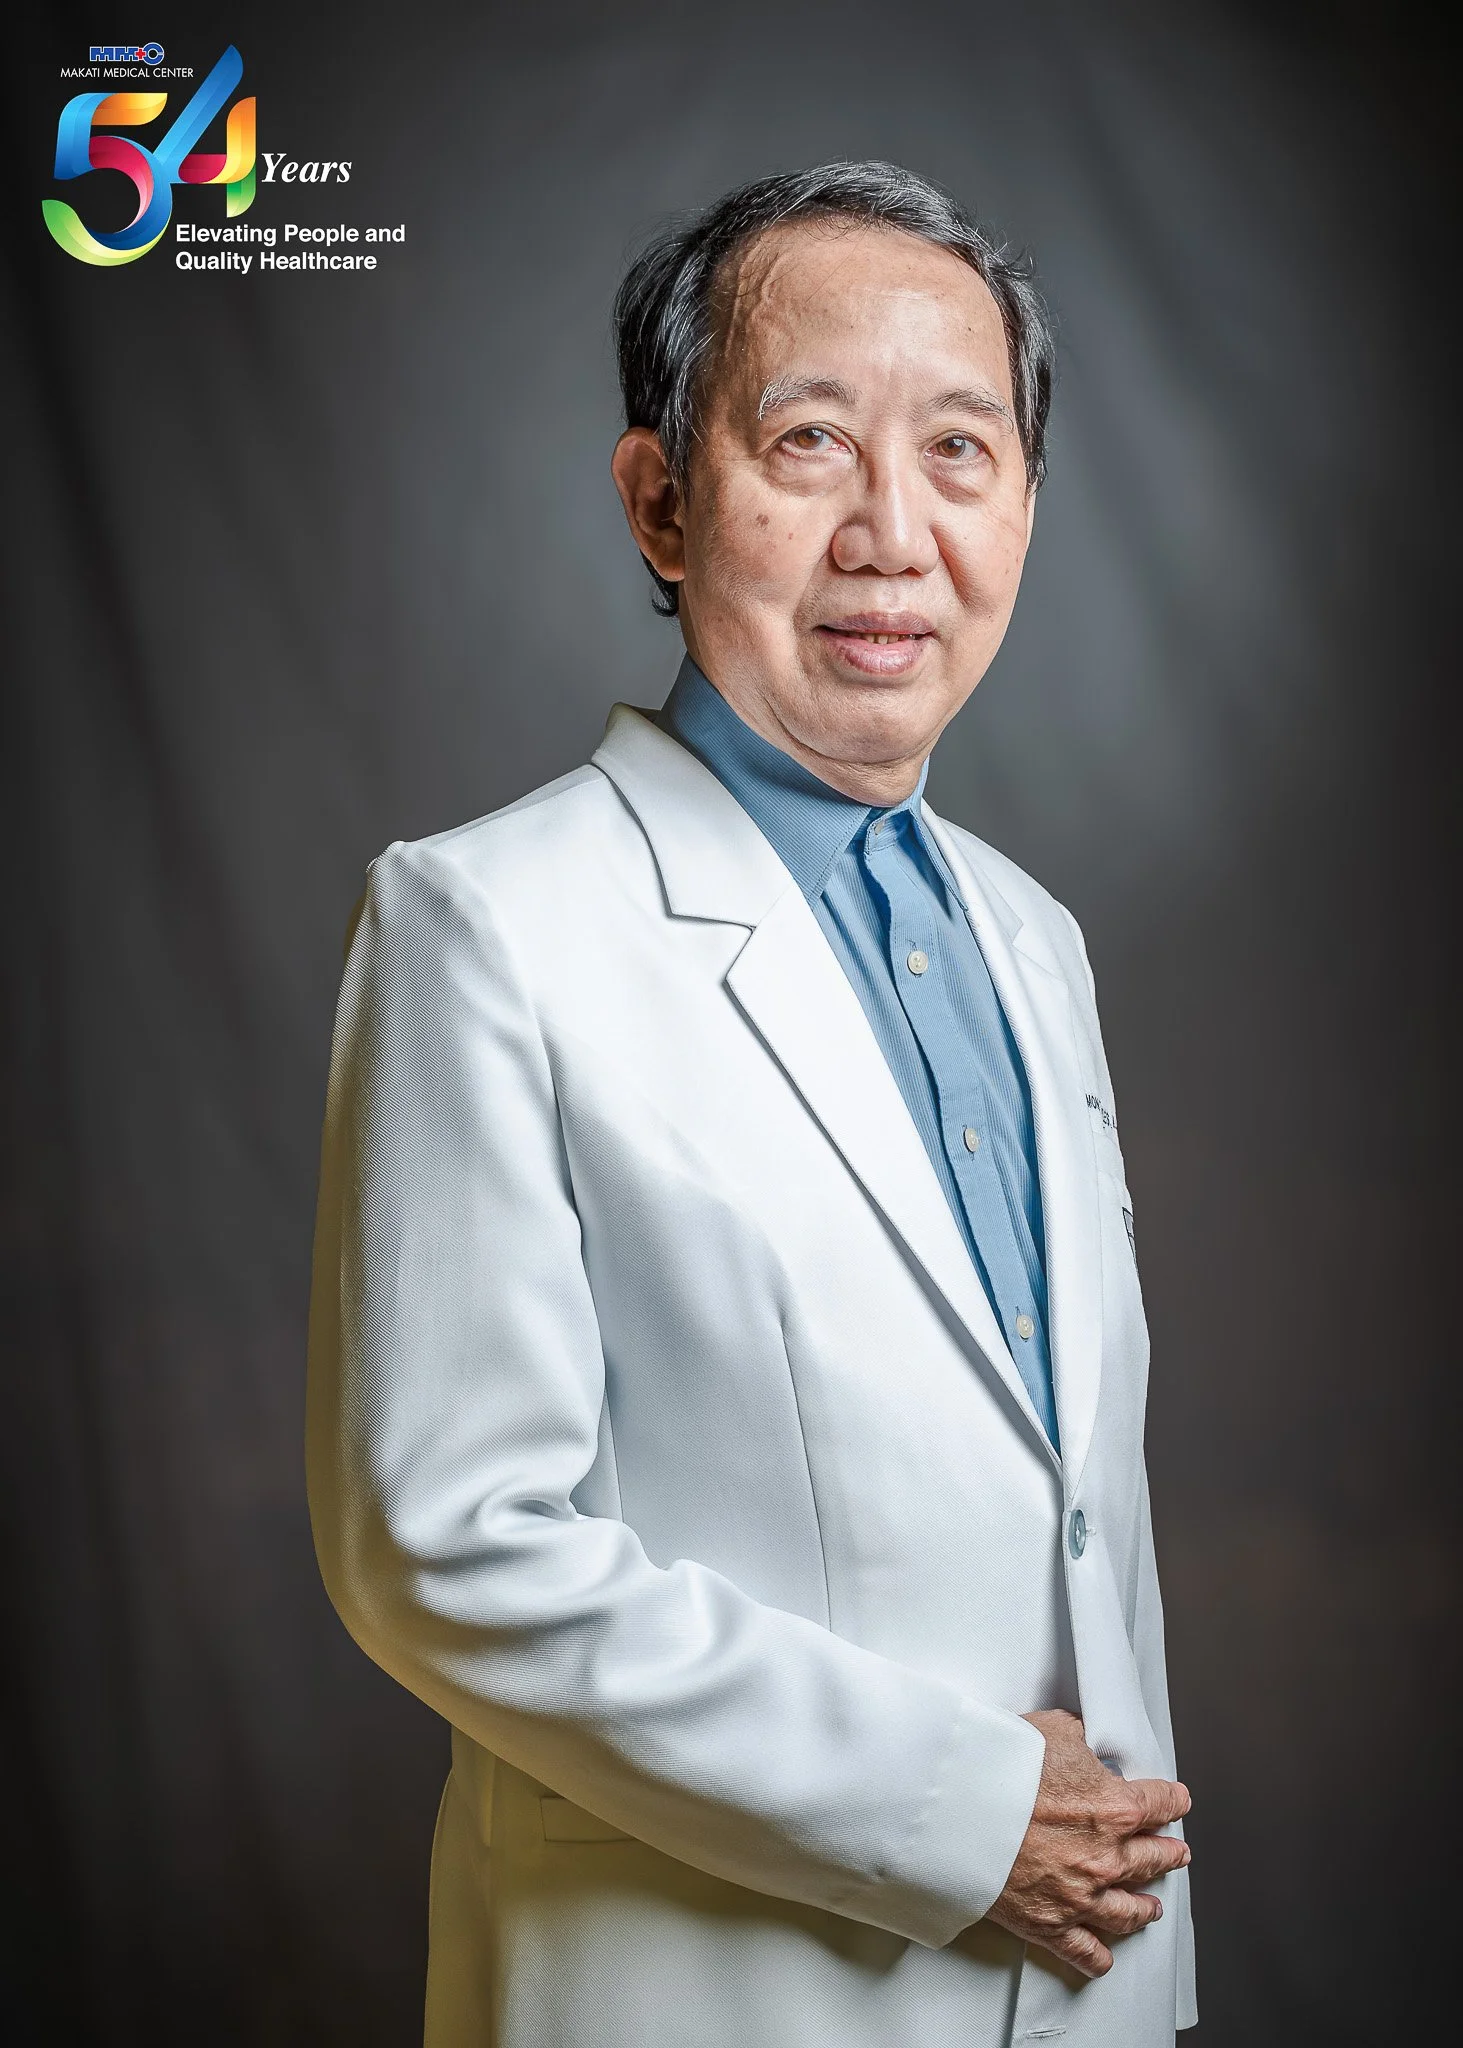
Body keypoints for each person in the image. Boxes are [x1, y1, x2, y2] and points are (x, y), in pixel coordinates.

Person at [306, 159, 1196, 2048]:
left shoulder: (1032, 942)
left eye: (961, 453)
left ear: (1025, 504)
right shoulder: (489, 920)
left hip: (1089, 1998)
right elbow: (446, 1545)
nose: (892, 532)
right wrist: (963, 1816)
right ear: (661, 503)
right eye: (807, 442)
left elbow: (1063, 1525)